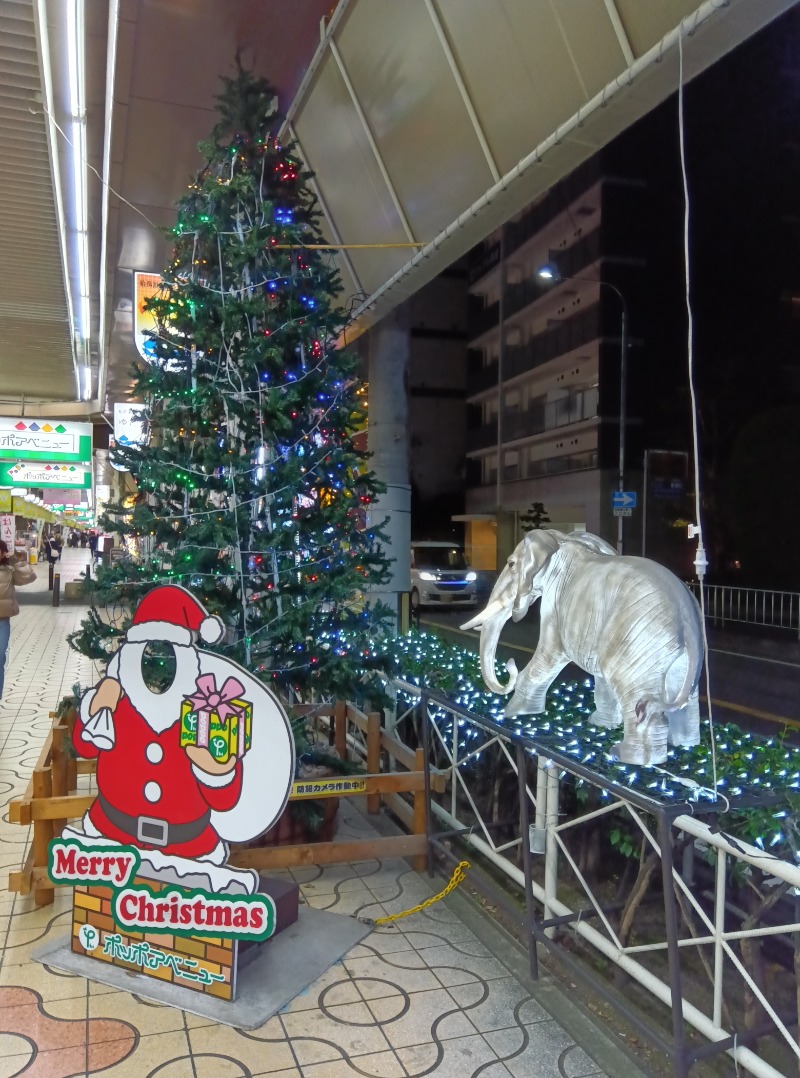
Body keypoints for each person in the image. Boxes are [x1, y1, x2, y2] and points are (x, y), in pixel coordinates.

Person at [0, 540, 35, 702]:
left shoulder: (9, 570)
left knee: (0, 657)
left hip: (2, 620)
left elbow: (29, 577)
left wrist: (15, 560)